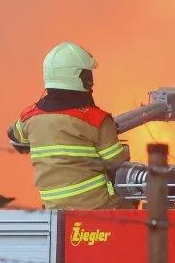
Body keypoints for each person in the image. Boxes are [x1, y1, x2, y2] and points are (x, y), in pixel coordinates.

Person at [7, 42, 131, 209]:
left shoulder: (29, 117)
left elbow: (15, 139)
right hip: (99, 208)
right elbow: (118, 165)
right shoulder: (96, 120)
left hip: (53, 208)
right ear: (82, 78)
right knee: (133, 192)